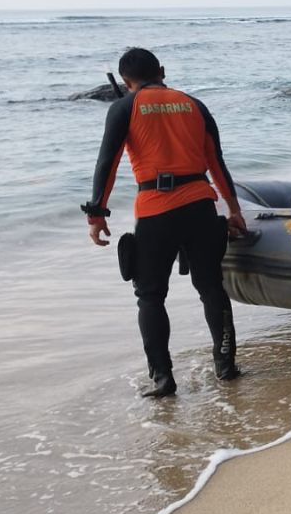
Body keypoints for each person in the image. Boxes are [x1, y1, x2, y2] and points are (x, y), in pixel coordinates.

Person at [81, 48, 247, 398]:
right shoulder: (194, 104)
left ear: (127, 83)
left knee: (150, 296)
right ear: (162, 70)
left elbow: (107, 163)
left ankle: (162, 379)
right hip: (201, 205)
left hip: (157, 210)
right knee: (211, 287)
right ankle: (226, 366)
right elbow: (216, 163)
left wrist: (97, 215)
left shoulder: (125, 107)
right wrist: (234, 210)